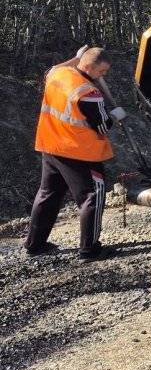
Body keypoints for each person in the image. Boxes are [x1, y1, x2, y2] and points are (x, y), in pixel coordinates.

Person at [23, 46, 127, 262]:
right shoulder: (88, 92)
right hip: (80, 153)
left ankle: (35, 245)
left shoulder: (59, 74)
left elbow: (52, 69)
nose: (103, 76)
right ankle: (90, 250)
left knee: (48, 193)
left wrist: (76, 58)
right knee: (93, 196)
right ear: (89, 66)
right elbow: (102, 126)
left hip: (51, 146)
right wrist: (115, 116)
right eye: (102, 71)